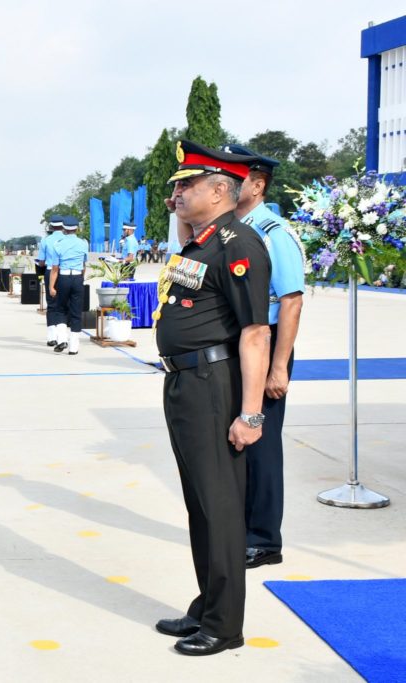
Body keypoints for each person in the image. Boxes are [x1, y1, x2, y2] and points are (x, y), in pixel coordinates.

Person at [153, 140, 271, 657]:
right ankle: (207, 605)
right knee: (199, 503)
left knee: (220, 506)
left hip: (213, 384)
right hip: (183, 382)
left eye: (187, 185)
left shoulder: (238, 243)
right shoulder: (200, 243)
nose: (176, 193)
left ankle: (225, 625)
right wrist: (181, 217)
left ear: (220, 189)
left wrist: (250, 413)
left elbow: (254, 333)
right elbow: (182, 280)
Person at [224, 144, 306, 570]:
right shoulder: (233, 229)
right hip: (240, 340)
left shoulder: (273, 232)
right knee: (238, 436)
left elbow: (291, 301)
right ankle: (242, 527)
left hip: (268, 342)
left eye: (234, 178)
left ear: (256, 185)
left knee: (263, 442)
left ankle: (264, 539)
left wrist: (278, 366)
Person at [46, 216, 88, 354]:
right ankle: (74, 347)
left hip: (63, 277)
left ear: (64, 228)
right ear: (77, 229)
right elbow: (83, 265)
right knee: (76, 312)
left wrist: (51, 286)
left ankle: (62, 339)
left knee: (60, 310)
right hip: (77, 278)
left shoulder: (58, 244)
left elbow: (54, 269)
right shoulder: (83, 244)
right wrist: (81, 278)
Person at [36, 216, 66, 345]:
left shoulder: (46, 240)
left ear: (51, 227)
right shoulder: (66, 239)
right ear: (63, 226)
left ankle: (52, 337)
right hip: (64, 273)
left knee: (52, 304)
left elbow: (41, 262)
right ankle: (62, 337)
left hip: (50, 271)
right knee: (63, 304)